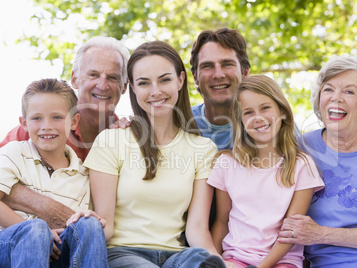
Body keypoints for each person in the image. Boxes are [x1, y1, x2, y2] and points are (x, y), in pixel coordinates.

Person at [67, 40, 226, 268]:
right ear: (132, 87)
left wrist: (220, 261)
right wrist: (87, 224)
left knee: (201, 262)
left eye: (165, 80)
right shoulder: (112, 140)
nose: (155, 91)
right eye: (144, 83)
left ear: (180, 80)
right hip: (123, 254)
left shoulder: (203, 148)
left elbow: (197, 229)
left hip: (178, 256)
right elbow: (107, 225)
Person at [278, 54, 357, 267]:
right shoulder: (299, 148)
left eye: (349, 91)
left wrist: (321, 235)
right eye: (328, 89)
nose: (336, 98)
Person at [1, 36, 130, 229]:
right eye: (93, 75)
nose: (102, 85)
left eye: (112, 77)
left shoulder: (127, 138)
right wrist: (48, 208)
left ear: (125, 86)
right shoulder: (34, 130)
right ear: (75, 78)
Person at [207, 75, 324, 268]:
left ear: (283, 112)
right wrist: (214, 259)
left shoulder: (302, 165)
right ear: (241, 121)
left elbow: (291, 232)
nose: (258, 118)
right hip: (236, 257)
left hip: (282, 260)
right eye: (248, 112)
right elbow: (221, 220)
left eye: (265, 108)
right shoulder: (227, 164)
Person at [0, 78, 108, 267]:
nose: (46, 125)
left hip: (58, 254)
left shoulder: (83, 174)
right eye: (36, 118)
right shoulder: (14, 153)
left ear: (74, 121)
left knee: (88, 223)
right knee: (36, 230)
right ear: (24, 123)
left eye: (57, 117)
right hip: (10, 248)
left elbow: (76, 232)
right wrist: (41, 232)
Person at [190, 27, 250, 151]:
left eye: (227, 64)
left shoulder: (268, 123)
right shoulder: (177, 125)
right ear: (195, 77)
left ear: (245, 73)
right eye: (207, 66)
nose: (218, 75)